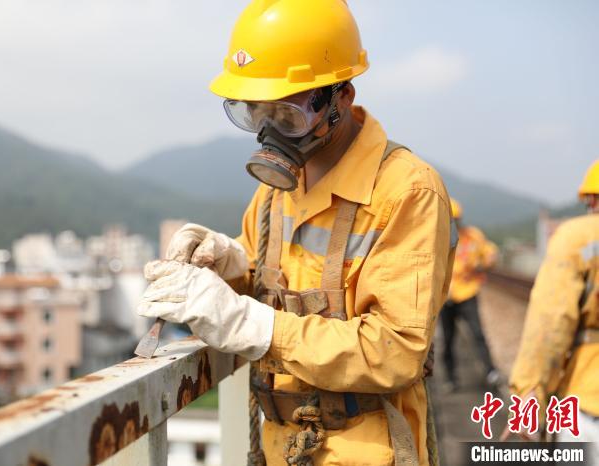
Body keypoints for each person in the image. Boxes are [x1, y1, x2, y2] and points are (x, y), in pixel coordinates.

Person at [138, 0, 456, 464]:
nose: (269, 132)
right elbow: (269, 278)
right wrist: (228, 265)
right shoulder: (275, 193)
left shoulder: (406, 191)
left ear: (340, 98)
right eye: (255, 113)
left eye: (286, 115)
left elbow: (395, 350)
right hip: (279, 443)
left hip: (367, 449)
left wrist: (255, 326)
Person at [506, 160, 599, 453]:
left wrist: (528, 398)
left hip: (589, 401)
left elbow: (550, 327)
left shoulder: (579, 237)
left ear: (591, 198)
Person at [439, 198, 499, 392]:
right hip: (445, 297)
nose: (454, 223)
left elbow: (488, 250)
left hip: (467, 292)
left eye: (456, 220)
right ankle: (450, 378)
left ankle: (491, 372)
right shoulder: (437, 239)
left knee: (477, 333)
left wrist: (490, 258)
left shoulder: (472, 237)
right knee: (448, 339)